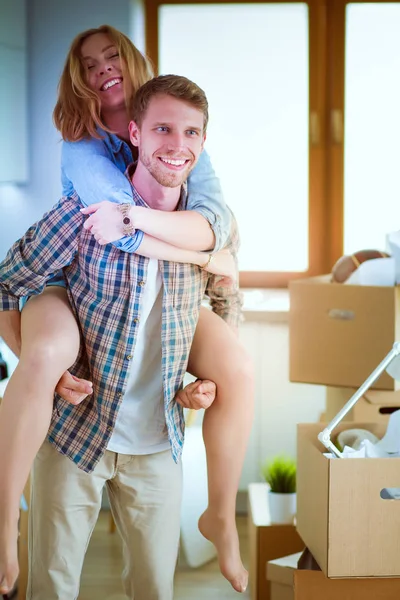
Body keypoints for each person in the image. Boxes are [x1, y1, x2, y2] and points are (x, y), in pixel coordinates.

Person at [0, 27, 254, 597]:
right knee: (51, 589)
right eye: (161, 129)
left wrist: (205, 380)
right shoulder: (87, 205)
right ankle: (3, 519)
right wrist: (41, 365)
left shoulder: (211, 218)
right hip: (77, 435)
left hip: (157, 441)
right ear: (135, 134)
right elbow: (7, 283)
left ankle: (220, 524)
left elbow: (225, 298)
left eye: (189, 133)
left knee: (154, 592)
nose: (176, 145)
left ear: (203, 143)